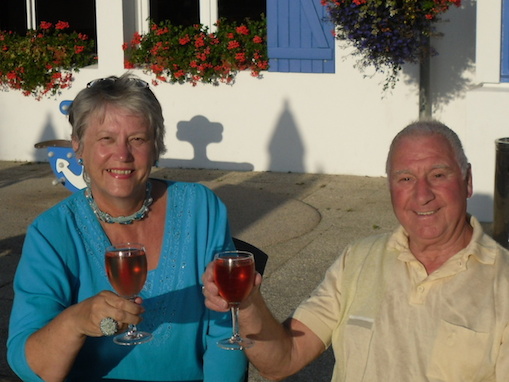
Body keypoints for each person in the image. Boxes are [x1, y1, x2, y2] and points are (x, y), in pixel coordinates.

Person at [203, 120, 509, 381]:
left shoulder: (503, 282)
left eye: (438, 175)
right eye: (406, 179)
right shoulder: (357, 260)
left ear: (467, 181)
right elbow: (284, 359)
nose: (422, 195)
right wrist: (247, 304)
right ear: (390, 188)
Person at [7, 73, 247, 381]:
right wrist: (75, 321)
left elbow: (226, 328)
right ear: (78, 147)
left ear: (156, 146)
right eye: (106, 139)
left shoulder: (201, 208)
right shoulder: (52, 232)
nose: (122, 155)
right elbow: (29, 366)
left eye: (137, 139)